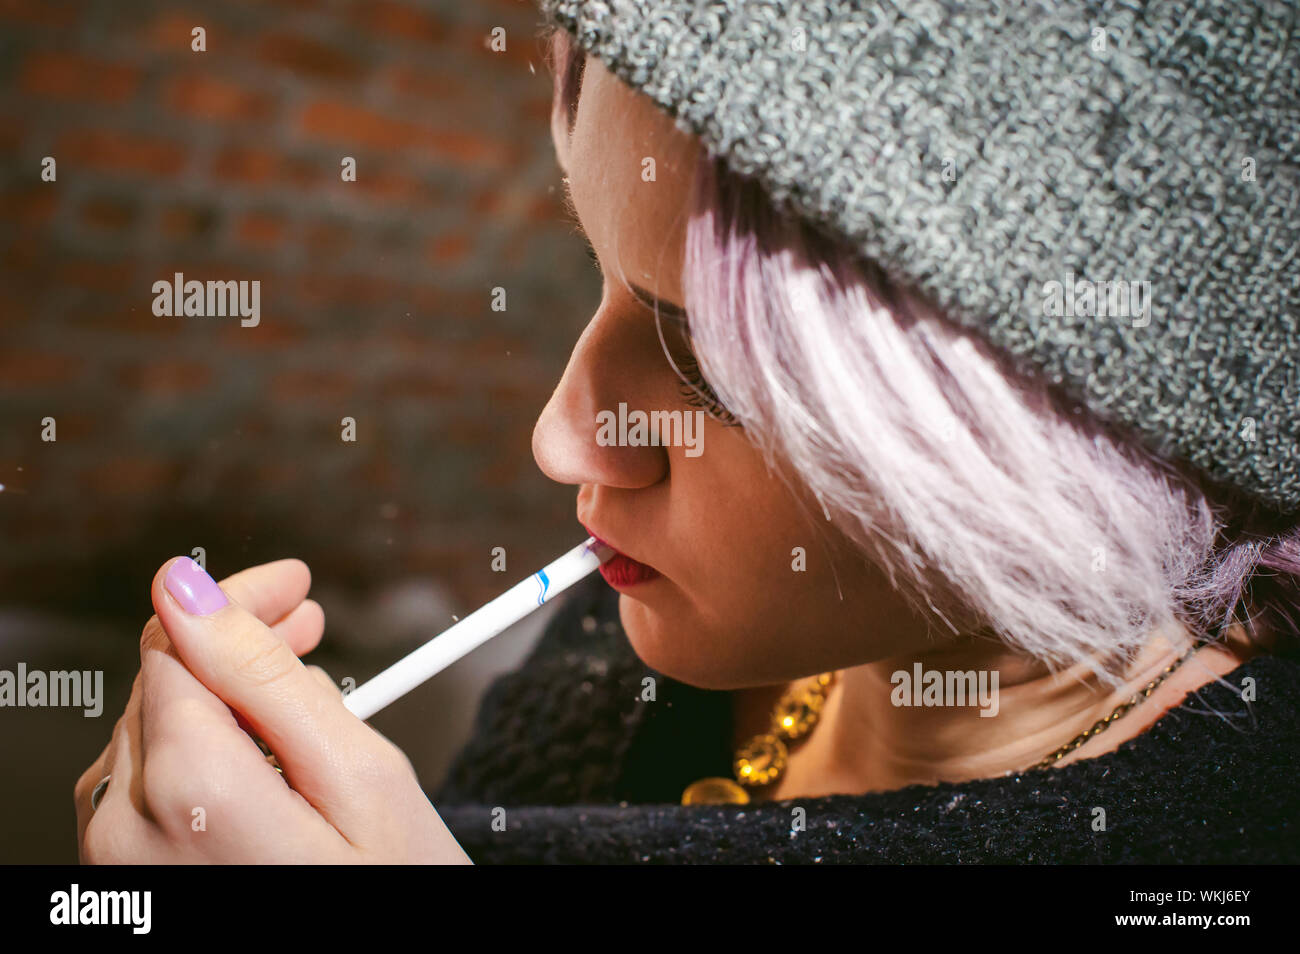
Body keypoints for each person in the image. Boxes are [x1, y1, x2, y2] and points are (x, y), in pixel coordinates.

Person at [76, 2, 1300, 863]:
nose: (561, 439)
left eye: (705, 357)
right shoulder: (621, 644)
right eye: (596, 276)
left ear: (1051, 437)